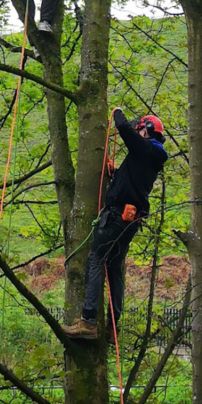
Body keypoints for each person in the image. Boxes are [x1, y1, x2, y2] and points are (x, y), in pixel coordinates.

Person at [63, 109, 168, 341]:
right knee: (114, 265)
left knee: (96, 259)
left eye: (141, 128)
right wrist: (116, 176)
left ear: (146, 131)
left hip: (118, 217)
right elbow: (132, 177)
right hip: (130, 219)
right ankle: (113, 326)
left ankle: (88, 321)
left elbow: (124, 129)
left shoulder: (145, 148)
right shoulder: (150, 156)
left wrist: (118, 113)